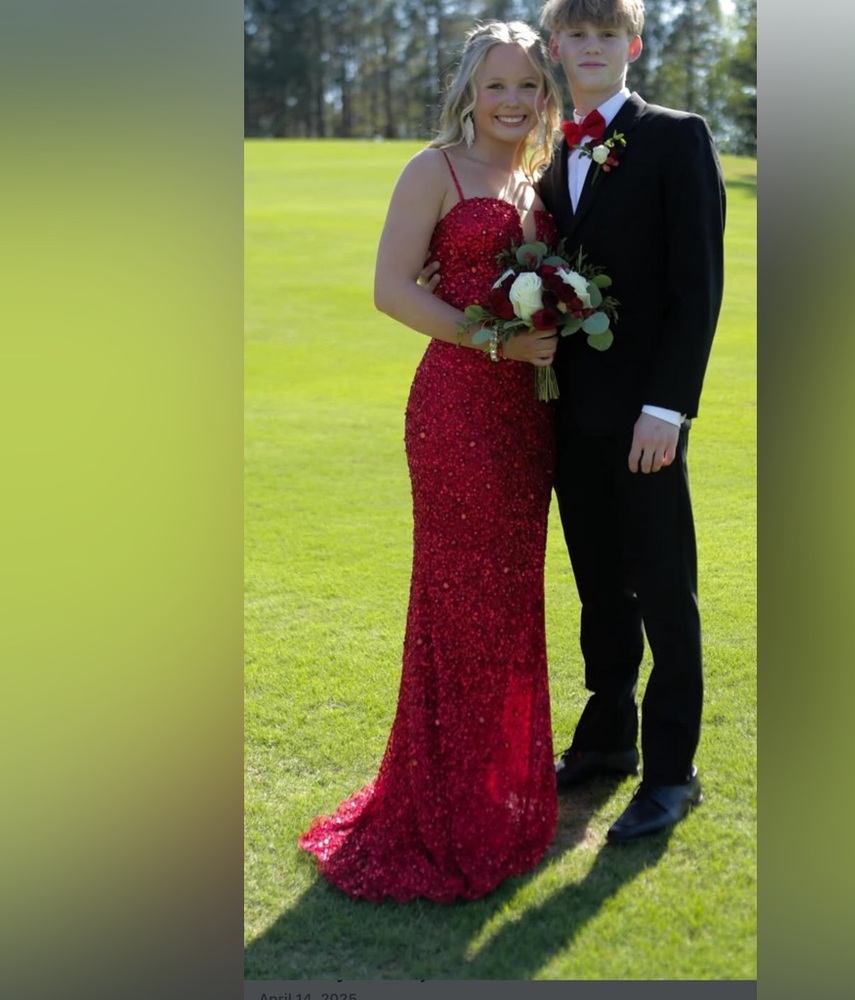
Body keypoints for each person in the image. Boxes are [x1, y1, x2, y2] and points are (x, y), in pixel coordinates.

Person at [298, 21, 565, 902]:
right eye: (498, 86)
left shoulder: (544, 172)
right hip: (457, 411)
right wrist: (494, 344)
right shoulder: (435, 170)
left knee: (511, 596)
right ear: (469, 89)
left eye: (529, 85)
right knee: (457, 600)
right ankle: (441, 807)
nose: (514, 101)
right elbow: (390, 288)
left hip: (529, 419)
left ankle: (503, 798)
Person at [536, 0, 726, 842]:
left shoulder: (676, 137)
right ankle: (608, 733)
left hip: (647, 418)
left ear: (633, 44)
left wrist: (668, 409)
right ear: (554, 47)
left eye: (605, 34)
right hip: (570, 417)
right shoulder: (551, 151)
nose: (589, 47)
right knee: (597, 584)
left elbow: (698, 288)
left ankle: (672, 768)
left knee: (663, 589)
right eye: (574, 34)